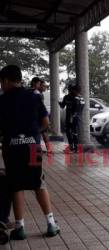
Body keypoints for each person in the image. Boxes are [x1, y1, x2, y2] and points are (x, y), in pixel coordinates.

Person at [0, 65, 60, 240]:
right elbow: (45, 122)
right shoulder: (33, 96)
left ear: (5, 80)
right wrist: (33, 135)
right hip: (32, 147)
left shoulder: (1, 100)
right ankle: (50, 224)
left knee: (16, 186)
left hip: (12, 148)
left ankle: (20, 228)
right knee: (38, 183)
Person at [59, 84, 85, 153]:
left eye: (71, 90)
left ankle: (75, 148)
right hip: (70, 117)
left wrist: (74, 115)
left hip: (74, 118)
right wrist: (60, 103)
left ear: (74, 90)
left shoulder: (78, 98)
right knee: (68, 131)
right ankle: (71, 147)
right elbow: (62, 106)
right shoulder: (66, 97)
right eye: (69, 90)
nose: (70, 91)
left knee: (74, 132)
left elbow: (79, 109)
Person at [30, 77, 51, 153]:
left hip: (40, 116)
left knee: (42, 132)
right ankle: (44, 149)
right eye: (42, 85)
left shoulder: (38, 93)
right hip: (39, 116)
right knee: (42, 132)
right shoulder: (36, 93)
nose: (44, 87)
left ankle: (47, 148)